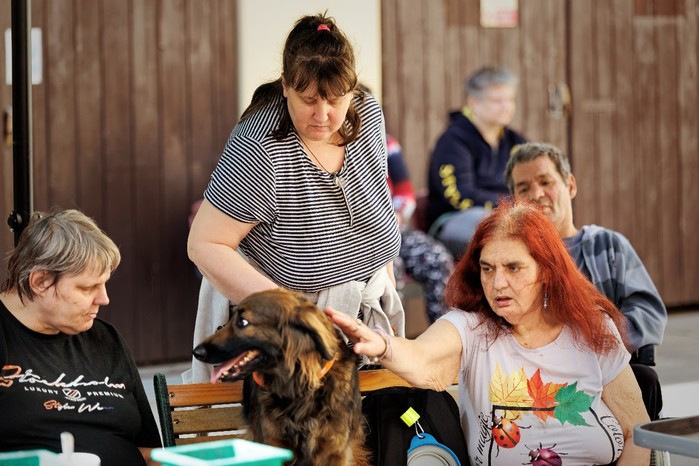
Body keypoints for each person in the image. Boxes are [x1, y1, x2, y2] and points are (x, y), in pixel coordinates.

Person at [326, 199, 651, 465]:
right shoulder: (471, 329)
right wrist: (384, 346)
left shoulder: (593, 328)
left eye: (513, 267)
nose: (497, 283)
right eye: (487, 268)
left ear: (546, 272)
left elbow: (637, 432)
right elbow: (423, 357)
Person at [186, 13, 404, 382]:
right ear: (286, 85)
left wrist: (385, 275)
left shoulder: (367, 113)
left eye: (335, 99)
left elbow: (375, 207)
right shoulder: (259, 148)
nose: (323, 115)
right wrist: (290, 315)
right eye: (309, 100)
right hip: (284, 338)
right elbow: (204, 245)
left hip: (366, 328)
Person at [504, 141, 667, 421]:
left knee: (644, 379)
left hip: (606, 371)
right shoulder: (511, 259)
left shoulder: (608, 246)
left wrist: (592, 342)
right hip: (539, 379)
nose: (537, 194)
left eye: (546, 182)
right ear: (515, 201)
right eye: (524, 188)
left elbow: (649, 314)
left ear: (570, 185)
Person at [0, 209, 161, 465]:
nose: (104, 299)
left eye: (104, 284)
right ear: (40, 281)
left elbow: (148, 452)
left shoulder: (105, 338)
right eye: (87, 288)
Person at [426, 66, 526, 258]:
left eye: (510, 100)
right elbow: (460, 195)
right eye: (497, 101)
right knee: (500, 228)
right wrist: (510, 207)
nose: (506, 106)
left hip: (507, 214)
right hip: (454, 219)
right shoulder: (453, 141)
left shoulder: (514, 141)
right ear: (474, 103)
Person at [386, 134, 454, 323]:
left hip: (395, 228)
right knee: (390, 269)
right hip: (360, 239)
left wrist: (396, 216)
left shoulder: (387, 144)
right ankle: (391, 335)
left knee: (438, 259)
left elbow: (405, 193)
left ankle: (441, 331)